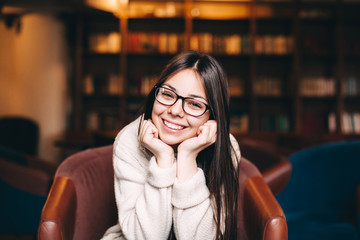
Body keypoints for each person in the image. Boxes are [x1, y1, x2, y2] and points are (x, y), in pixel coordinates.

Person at [101, 50, 241, 240]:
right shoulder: (129, 139)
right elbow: (143, 237)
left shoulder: (226, 148)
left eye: (195, 104)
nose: (175, 110)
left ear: (213, 116)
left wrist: (187, 158)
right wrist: (163, 160)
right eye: (167, 94)